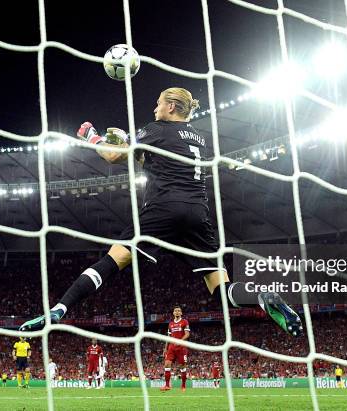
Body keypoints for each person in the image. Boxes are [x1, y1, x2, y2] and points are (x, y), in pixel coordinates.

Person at [19, 87, 302, 337]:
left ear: (170, 107)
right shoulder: (198, 139)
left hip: (163, 209)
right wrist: (128, 141)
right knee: (221, 291)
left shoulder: (156, 129)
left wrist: (92, 137)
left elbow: (113, 157)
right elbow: (151, 156)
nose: (154, 109)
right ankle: (262, 297)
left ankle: (59, 309)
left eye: (157, 104)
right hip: (197, 214)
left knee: (112, 260)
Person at [161, 306, 190, 392]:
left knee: (182, 367)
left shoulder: (184, 322)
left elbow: (187, 334)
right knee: (166, 364)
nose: (177, 312)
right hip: (171, 347)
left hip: (181, 347)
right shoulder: (170, 324)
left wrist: (180, 341)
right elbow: (168, 336)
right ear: (173, 313)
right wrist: (165, 348)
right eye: (175, 311)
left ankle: (183, 385)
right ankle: (167, 385)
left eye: (179, 311)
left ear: (181, 313)